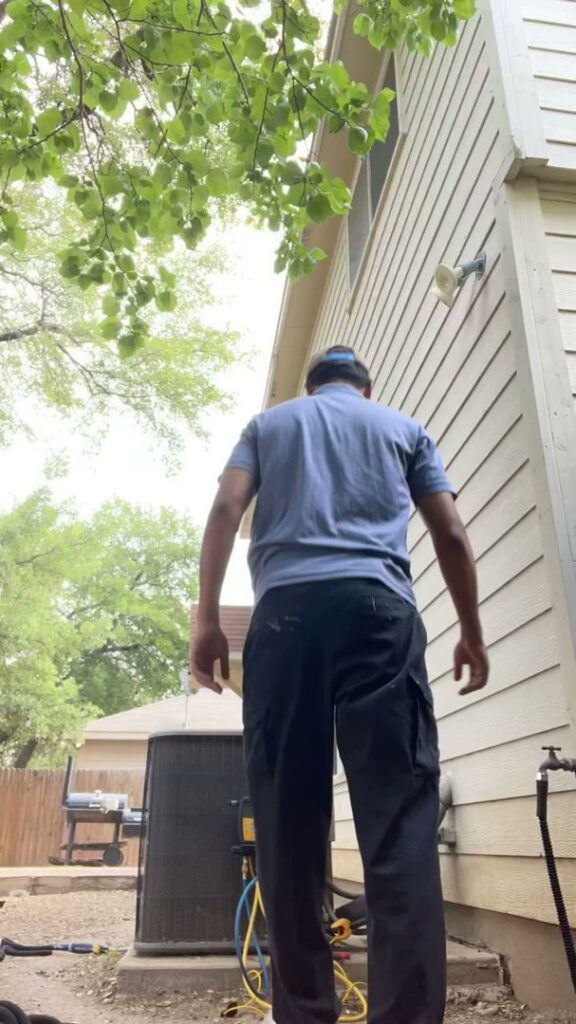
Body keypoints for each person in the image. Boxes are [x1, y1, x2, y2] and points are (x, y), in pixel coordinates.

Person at [191, 345, 489, 1024]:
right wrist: (470, 632)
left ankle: (303, 1015)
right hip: (379, 616)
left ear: (311, 387)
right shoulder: (403, 429)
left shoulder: (270, 426)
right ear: (366, 387)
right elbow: (449, 532)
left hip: (285, 620)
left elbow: (224, 512)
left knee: (286, 824)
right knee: (401, 826)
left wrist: (207, 620)